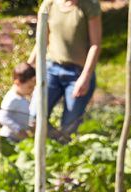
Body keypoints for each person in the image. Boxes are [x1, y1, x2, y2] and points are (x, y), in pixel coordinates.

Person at [29, 0, 102, 138]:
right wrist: (29, 66)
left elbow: (95, 44)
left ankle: (60, 150)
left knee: (69, 127)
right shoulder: (49, 4)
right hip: (51, 69)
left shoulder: (89, 5)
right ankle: (45, 150)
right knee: (34, 118)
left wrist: (85, 77)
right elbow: (41, 40)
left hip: (77, 74)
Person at [0, 62, 36, 141]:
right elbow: (3, 117)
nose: (32, 90)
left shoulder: (22, 97)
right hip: (8, 138)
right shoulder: (12, 98)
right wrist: (19, 130)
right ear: (17, 83)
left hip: (18, 139)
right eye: (30, 87)